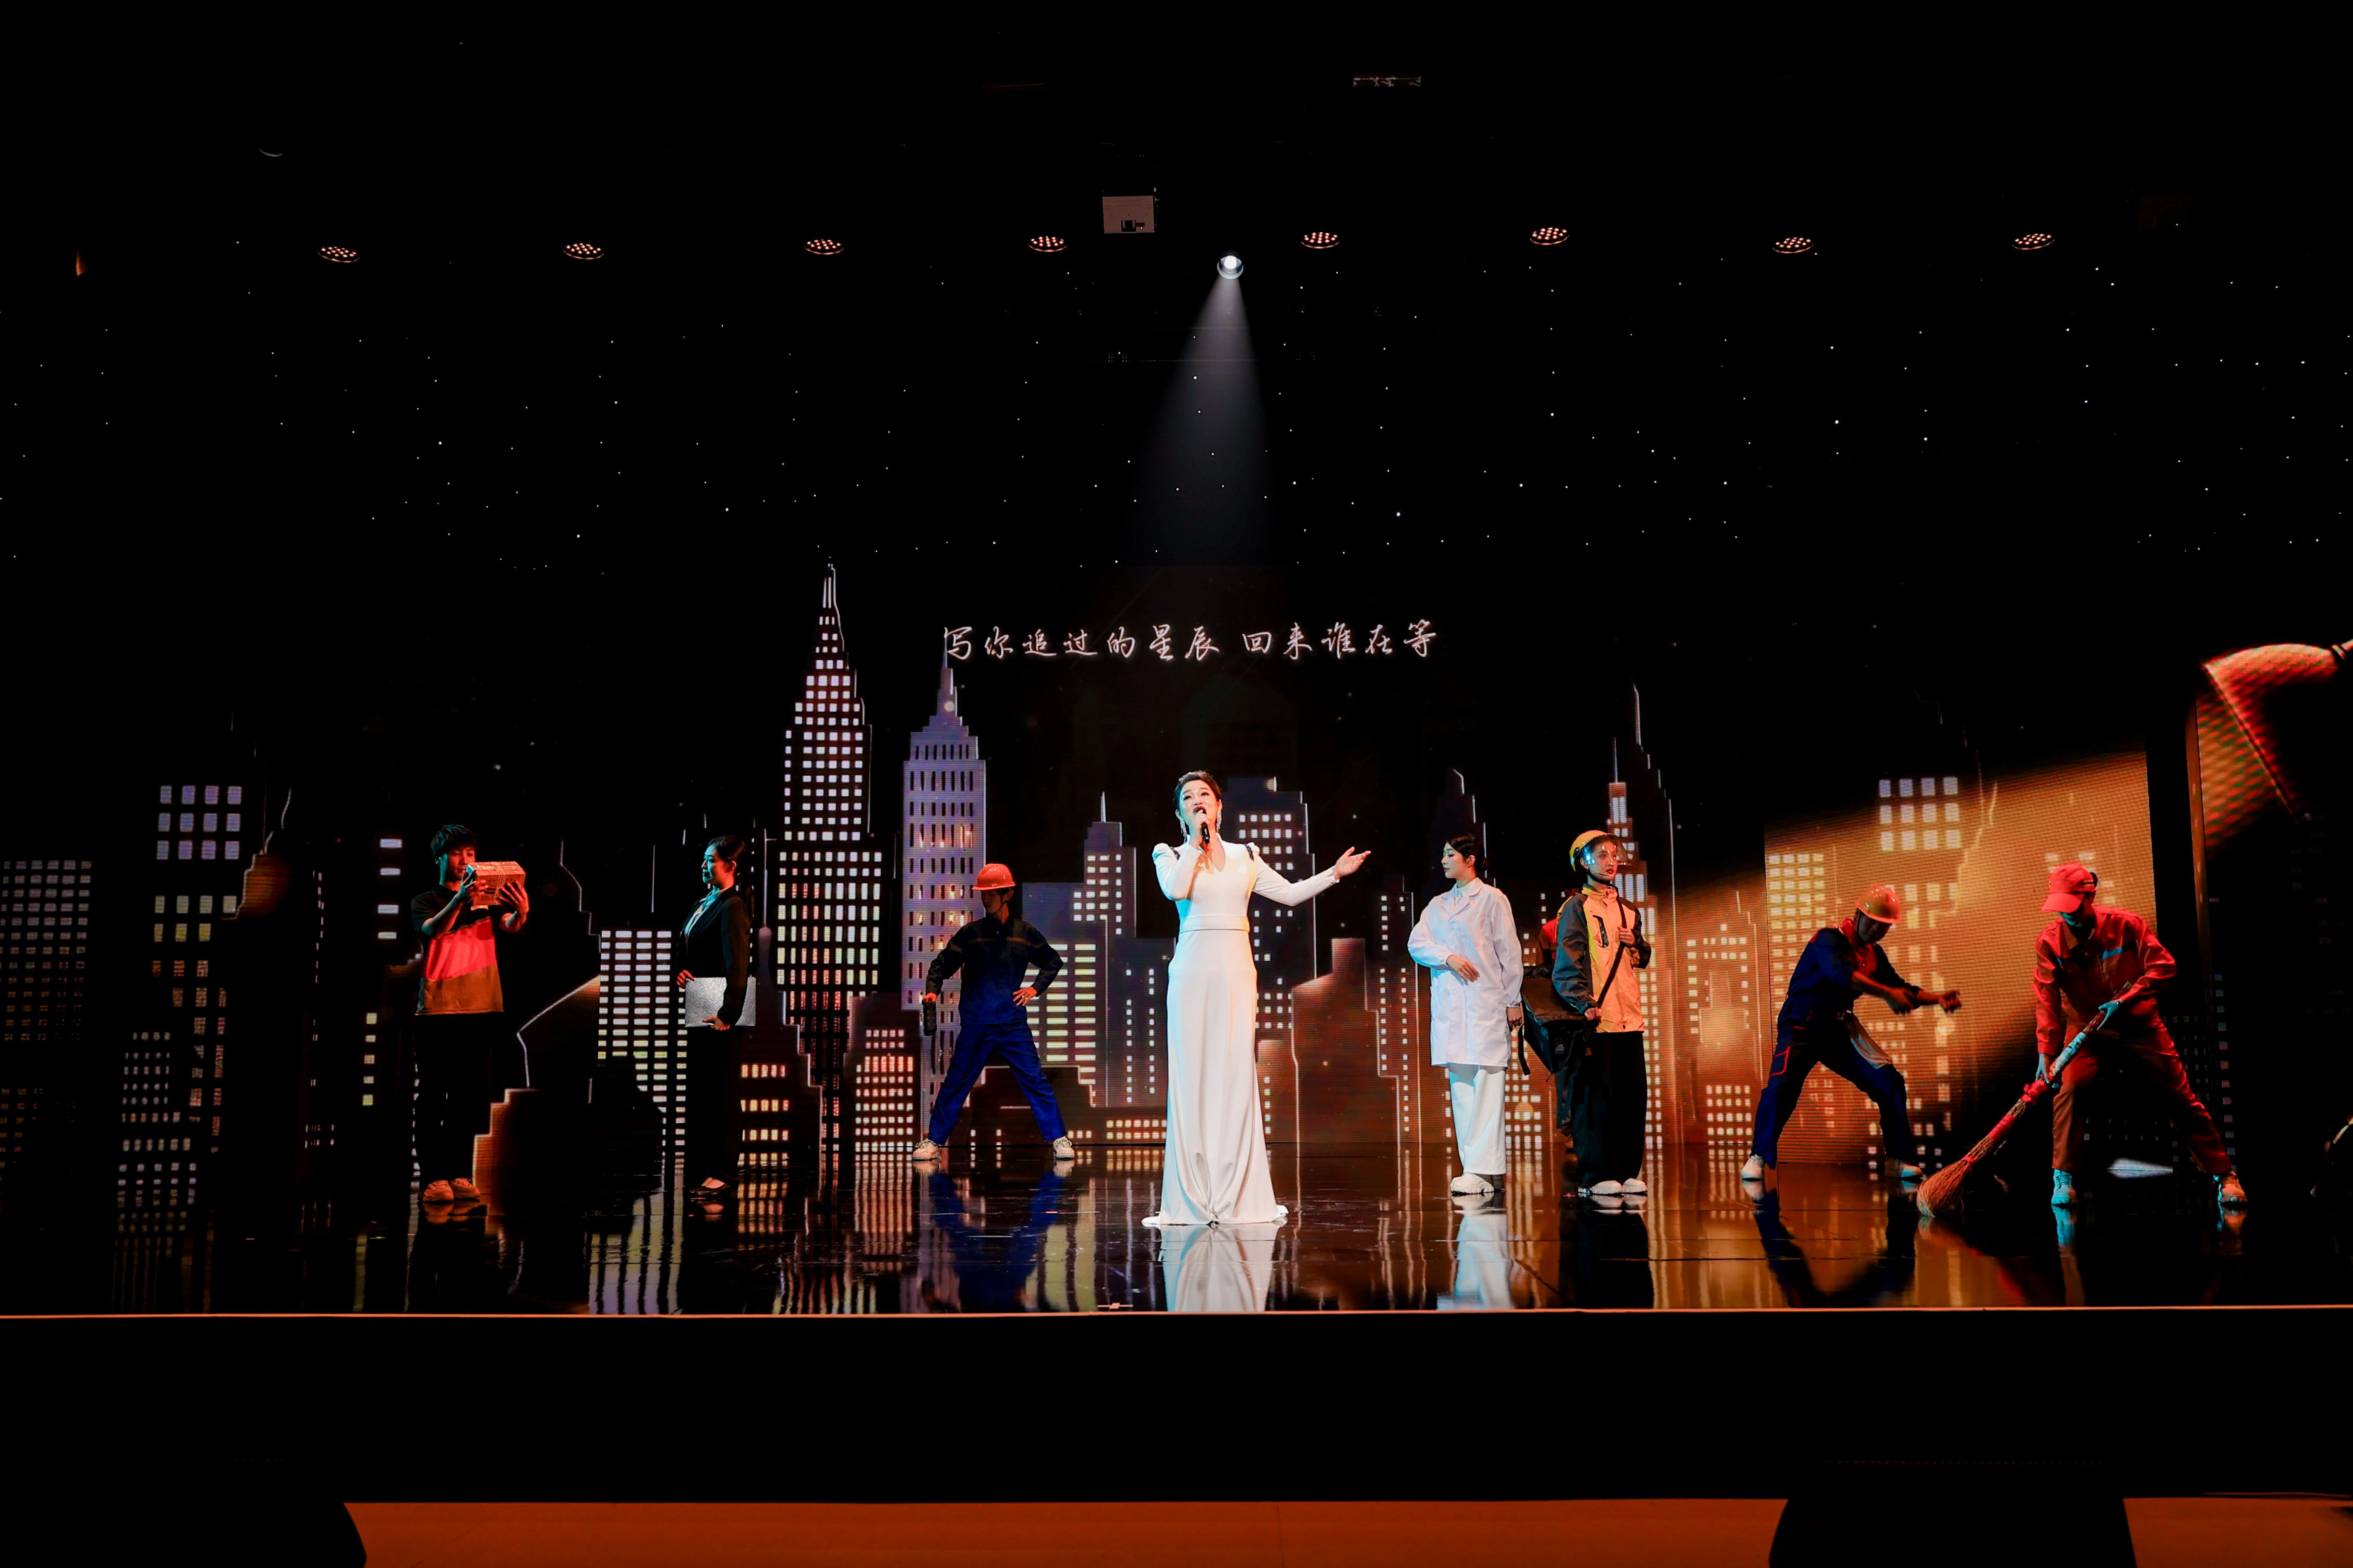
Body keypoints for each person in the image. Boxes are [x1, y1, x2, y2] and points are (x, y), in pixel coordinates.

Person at [1148, 770, 1368, 1226]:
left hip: (1235, 970)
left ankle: (1237, 1190)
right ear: (1180, 813)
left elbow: (1288, 894)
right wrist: (1196, 844)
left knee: (1233, 1071)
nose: (1197, 801)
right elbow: (1175, 890)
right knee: (1192, 1074)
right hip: (1191, 972)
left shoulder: (1246, 855)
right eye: (1188, 798)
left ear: (1219, 806)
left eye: (1204, 795)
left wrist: (1333, 874)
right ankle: (1192, 1194)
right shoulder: (1169, 854)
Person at [2033, 862, 2245, 1208]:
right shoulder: (2050, 942)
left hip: (2138, 1023)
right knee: (2070, 1091)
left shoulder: (2126, 925)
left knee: (2179, 1096)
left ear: (2090, 897)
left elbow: (2164, 966)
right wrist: (2046, 1053)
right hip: (2086, 1030)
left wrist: (2126, 1000)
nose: (2067, 914)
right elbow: (2046, 999)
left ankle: (2224, 1175)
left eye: (2072, 905)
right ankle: (2063, 1176)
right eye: (2060, 907)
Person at [1741, 884, 1958, 1189]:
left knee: (1889, 1081)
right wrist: (1887, 994)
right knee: (1781, 1087)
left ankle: (1898, 1158)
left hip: (1839, 1029)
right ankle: (1758, 1156)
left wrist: (1937, 999)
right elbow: (1842, 975)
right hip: (1801, 1027)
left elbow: (1900, 987)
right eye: (1873, 923)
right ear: (1858, 915)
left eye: (1885, 926)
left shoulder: (1873, 954)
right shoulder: (1827, 939)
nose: (1878, 931)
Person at [910, 862, 1073, 1160]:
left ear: (1007, 894)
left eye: (992, 893)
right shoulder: (971, 934)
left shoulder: (1025, 933)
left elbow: (1053, 961)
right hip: (977, 1023)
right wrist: (933, 988)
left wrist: (1034, 989)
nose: (986, 899)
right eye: (983, 894)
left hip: (1011, 1023)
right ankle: (934, 1141)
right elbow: (941, 964)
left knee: (1035, 1080)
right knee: (957, 1082)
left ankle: (1059, 1139)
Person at [410, 824, 529, 1205]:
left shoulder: (484, 902)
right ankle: (433, 1178)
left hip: (482, 1006)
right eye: (457, 853)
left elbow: (509, 926)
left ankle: (459, 1173)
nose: (465, 861)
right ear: (440, 858)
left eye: (471, 854)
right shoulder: (426, 899)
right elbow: (433, 930)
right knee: (433, 1097)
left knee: (468, 1097)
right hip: (439, 1009)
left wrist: (521, 913)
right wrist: (461, 899)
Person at [1408, 833, 1524, 1195]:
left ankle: (1484, 1170)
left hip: (1485, 1003)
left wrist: (1512, 1000)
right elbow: (1417, 944)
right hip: (1452, 1008)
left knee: (1487, 1084)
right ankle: (1475, 1169)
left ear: (1470, 859)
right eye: (1443, 854)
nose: (1443, 861)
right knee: (1461, 1089)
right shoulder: (1438, 905)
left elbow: (1509, 953)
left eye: (1450, 855)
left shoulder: (1492, 899)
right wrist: (1448, 958)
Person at [1551, 830, 1654, 1201]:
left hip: (1629, 1017)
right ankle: (1596, 1173)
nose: (1611, 862)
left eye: (1614, 854)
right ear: (1583, 861)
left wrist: (1636, 942)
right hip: (1597, 1017)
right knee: (1595, 1099)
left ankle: (1627, 1171)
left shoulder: (1629, 910)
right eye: (1601, 855)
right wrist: (1582, 1001)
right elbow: (1567, 964)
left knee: (1632, 1096)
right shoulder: (1576, 907)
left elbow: (1641, 956)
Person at [675, 833, 753, 1203]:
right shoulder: (704, 903)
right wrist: (681, 969)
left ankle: (723, 1172)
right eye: (705, 859)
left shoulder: (732, 906)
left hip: (720, 1009)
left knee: (723, 1092)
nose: (704, 865)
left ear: (730, 866)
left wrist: (728, 1013)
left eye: (711, 860)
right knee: (704, 1092)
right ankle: (707, 1167)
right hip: (700, 1002)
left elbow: (738, 964)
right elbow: (687, 947)